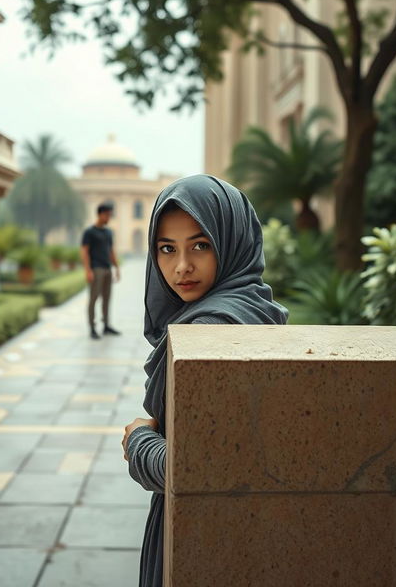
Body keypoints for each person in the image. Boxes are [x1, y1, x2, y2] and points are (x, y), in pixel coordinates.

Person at [122, 175, 288, 587]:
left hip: (209, 534)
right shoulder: (254, 307)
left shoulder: (214, 326)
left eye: (200, 245)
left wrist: (138, 442)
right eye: (166, 249)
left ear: (231, 241)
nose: (181, 266)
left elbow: (197, 468)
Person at [80, 202, 121, 339]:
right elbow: (84, 251)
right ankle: (92, 328)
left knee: (107, 299)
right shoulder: (89, 232)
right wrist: (87, 270)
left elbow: (111, 251)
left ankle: (106, 326)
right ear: (100, 214)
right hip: (96, 269)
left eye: (110, 215)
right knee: (93, 299)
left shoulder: (108, 232)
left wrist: (116, 267)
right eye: (107, 215)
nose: (109, 217)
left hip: (107, 268)